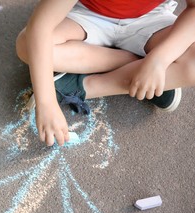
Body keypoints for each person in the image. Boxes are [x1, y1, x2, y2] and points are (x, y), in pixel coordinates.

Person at [16, 0, 195, 147]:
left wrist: (159, 59)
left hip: (151, 18)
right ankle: (143, 69)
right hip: (88, 14)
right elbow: (40, 26)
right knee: (26, 45)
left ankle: (80, 85)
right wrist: (46, 102)